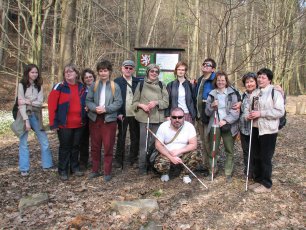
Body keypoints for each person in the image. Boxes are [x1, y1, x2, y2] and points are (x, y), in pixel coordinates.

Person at [246, 68, 285, 193]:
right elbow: (248, 108)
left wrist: (261, 113)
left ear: (269, 79)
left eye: (263, 77)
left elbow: (279, 111)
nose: (260, 80)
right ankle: (258, 180)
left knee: (265, 157)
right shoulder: (255, 93)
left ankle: (266, 183)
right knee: (256, 156)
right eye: (259, 77)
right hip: (255, 128)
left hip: (268, 130)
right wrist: (248, 115)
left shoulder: (275, 92)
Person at [11, 64, 53, 176]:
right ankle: (24, 168)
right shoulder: (22, 85)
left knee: (44, 139)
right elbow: (20, 104)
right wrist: (26, 120)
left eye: (36, 72)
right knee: (23, 142)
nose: (34, 74)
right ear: (27, 73)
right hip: (23, 114)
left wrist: (27, 101)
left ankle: (47, 165)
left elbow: (40, 102)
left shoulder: (39, 85)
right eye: (32, 72)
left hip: (36, 114)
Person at [48, 64, 87, 180]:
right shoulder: (59, 87)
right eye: (66, 72)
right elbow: (51, 105)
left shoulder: (82, 87)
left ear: (76, 73)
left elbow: (87, 101)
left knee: (75, 146)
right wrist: (53, 123)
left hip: (79, 123)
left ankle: (74, 167)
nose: (68, 74)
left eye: (71, 71)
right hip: (64, 124)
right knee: (65, 147)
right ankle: (63, 170)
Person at [86, 60, 122, 182]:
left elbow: (118, 103)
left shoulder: (114, 86)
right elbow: (88, 100)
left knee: (108, 146)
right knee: (95, 146)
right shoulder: (94, 85)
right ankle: (95, 170)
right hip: (95, 119)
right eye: (101, 71)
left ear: (110, 71)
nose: (103, 73)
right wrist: (95, 109)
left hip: (109, 120)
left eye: (105, 70)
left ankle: (107, 171)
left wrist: (106, 109)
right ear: (98, 72)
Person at [132, 64, 169, 175]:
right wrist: (142, 106)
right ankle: (142, 167)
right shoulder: (141, 84)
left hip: (158, 119)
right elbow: (134, 103)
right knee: (144, 144)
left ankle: (153, 166)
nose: (154, 73)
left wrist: (156, 103)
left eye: (156, 71)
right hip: (145, 118)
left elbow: (166, 103)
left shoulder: (162, 85)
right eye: (152, 71)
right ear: (147, 72)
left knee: (156, 144)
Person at [205, 71, 240, 183]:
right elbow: (207, 112)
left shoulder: (232, 93)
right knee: (213, 150)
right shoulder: (212, 94)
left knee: (229, 149)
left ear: (226, 81)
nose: (220, 82)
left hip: (228, 125)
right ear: (216, 81)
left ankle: (228, 172)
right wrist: (212, 106)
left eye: (223, 80)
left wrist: (225, 120)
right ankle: (212, 171)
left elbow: (236, 112)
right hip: (215, 124)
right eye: (218, 80)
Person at [153, 107, 202, 183]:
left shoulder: (189, 126)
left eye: (180, 117)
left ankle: (185, 174)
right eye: (174, 117)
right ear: (170, 118)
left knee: (197, 154)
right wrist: (170, 157)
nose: (177, 120)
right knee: (160, 164)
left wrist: (179, 151)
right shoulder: (163, 126)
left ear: (184, 117)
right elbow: (158, 145)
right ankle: (165, 172)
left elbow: (193, 144)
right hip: (167, 154)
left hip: (183, 153)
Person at [114, 60, 140, 168]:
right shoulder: (117, 81)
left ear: (133, 69)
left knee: (135, 137)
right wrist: (118, 113)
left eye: (130, 68)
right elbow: (114, 98)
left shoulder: (137, 81)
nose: (128, 70)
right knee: (121, 137)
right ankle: (119, 160)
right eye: (126, 68)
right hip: (122, 114)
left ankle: (133, 158)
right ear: (122, 68)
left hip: (135, 114)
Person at [194, 58, 217, 176]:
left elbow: (229, 91)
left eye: (208, 65)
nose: (205, 66)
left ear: (213, 69)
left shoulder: (215, 80)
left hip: (209, 115)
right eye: (204, 64)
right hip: (199, 115)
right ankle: (206, 165)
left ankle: (213, 168)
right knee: (203, 142)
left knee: (209, 143)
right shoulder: (200, 79)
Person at [239, 72, 257, 178]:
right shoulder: (243, 95)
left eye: (251, 81)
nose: (249, 84)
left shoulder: (260, 94)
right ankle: (248, 170)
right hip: (244, 128)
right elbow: (241, 111)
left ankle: (256, 172)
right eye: (247, 82)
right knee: (246, 151)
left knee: (255, 152)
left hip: (255, 128)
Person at [79, 68, 96, 171]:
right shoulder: (80, 89)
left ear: (94, 77)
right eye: (86, 77)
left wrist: (92, 106)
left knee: (95, 141)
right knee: (83, 141)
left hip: (95, 117)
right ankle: (83, 162)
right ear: (83, 79)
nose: (89, 79)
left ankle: (95, 162)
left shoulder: (99, 88)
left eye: (90, 77)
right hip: (84, 118)